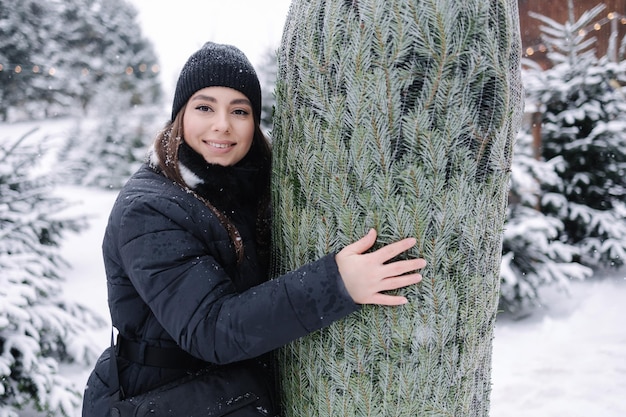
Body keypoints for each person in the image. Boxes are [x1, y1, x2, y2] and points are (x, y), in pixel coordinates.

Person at [81, 41, 427, 417]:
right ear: (180, 115)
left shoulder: (250, 185)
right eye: (204, 107)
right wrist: (336, 283)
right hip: (162, 398)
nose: (222, 125)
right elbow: (211, 328)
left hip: (229, 393)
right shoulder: (150, 209)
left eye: (239, 111)